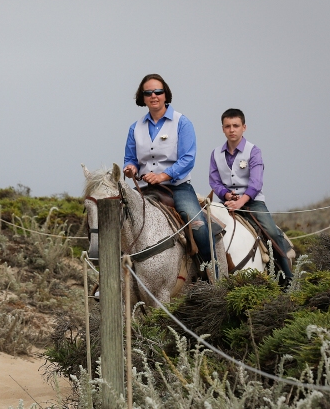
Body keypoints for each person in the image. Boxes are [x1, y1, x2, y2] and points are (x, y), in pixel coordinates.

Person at [123, 73, 222, 270]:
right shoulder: (135, 128)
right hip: (143, 188)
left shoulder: (182, 123)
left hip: (177, 187)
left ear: (165, 94)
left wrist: (162, 176)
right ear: (142, 98)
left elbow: (188, 159)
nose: (154, 96)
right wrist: (131, 168)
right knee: (121, 221)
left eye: (158, 91)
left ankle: (213, 276)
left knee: (198, 225)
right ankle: (110, 279)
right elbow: (130, 159)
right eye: (148, 92)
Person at [209, 108, 294, 283]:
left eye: (236, 126)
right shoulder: (216, 153)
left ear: (244, 127)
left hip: (252, 203)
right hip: (226, 203)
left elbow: (256, 183)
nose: (232, 130)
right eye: (228, 126)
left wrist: (241, 202)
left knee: (272, 232)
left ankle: (287, 278)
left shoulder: (254, 151)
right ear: (222, 128)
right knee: (207, 229)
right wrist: (225, 195)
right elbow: (214, 181)